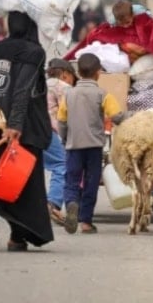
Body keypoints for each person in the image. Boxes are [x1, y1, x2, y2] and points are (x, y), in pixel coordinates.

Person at [0, 11, 53, 251]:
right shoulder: (34, 53)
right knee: (21, 181)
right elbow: (22, 90)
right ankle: (16, 238)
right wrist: (14, 125)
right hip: (21, 127)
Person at [57, 53, 130, 234]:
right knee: (90, 183)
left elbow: (61, 121)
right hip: (94, 147)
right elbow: (117, 117)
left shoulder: (68, 94)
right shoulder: (102, 94)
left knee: (71, 181)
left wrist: (65, 139)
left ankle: (72, 203)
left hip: (74, 146)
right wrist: (131, 118)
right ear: (98, 73)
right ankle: (86, 222)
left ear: (78, 72)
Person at [44, 58, 77, 225]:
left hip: (28, 131)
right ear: (65, 74)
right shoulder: (63, 87)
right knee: (61, 164)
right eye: (72, 77)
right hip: (48, 132)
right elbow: (68, 114)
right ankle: (54, 204)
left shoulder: (41, 84)